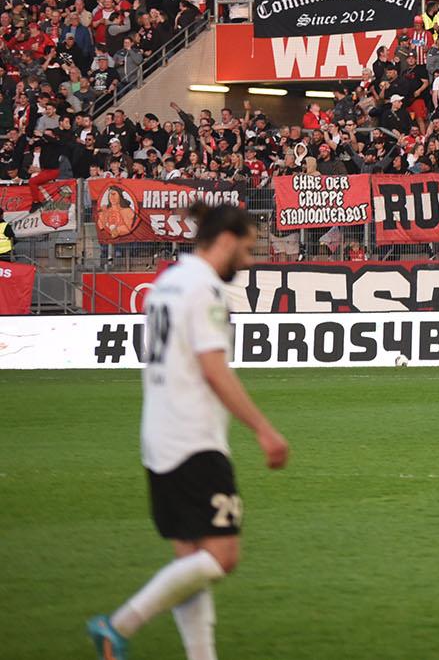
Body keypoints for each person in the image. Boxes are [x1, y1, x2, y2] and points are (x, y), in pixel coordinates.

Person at [86, 204, 290, 660]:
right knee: (221, 557)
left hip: (158, 436)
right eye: (249, 248)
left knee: (191, 560)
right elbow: (214, 368)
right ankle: (118, 625)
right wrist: (264, 429)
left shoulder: (167, 282)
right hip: (194, 440)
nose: (251, 260)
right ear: (227, 239)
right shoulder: (203, 289)